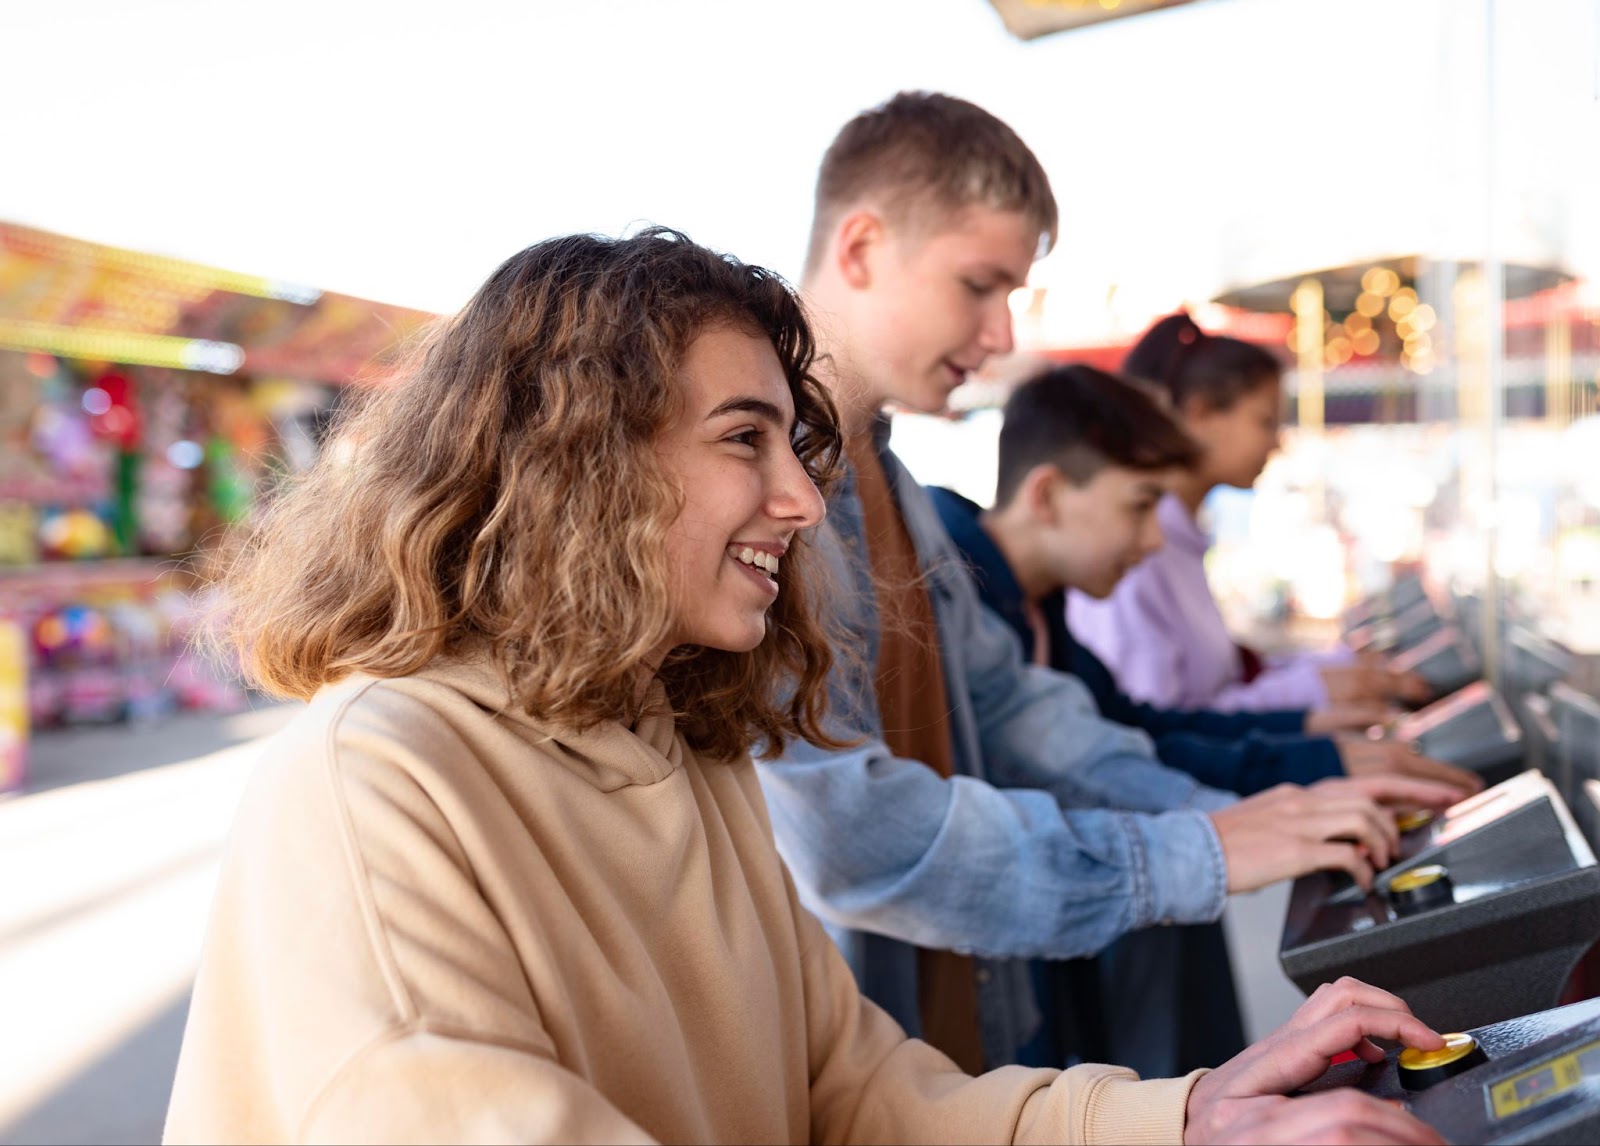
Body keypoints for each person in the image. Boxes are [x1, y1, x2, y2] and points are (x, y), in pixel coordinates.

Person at [160, 228, 1448, 1146]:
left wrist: (1187, 1115)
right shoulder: (379, 778)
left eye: (794, 442)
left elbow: (862, 1096)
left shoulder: (684, 742)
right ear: (579, 463)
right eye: (742, 440)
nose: (794, 498)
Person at [756, 90, 1460, 1078]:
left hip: (961, 1050)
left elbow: (1013, 713)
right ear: (862, 247)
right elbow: (857, 840)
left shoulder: (897, 489)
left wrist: (1217, 817)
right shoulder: (763, 501)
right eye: (978, 285)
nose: (1001, 334)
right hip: (851, 1072)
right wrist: (1194, 847)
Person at [928, 362, 1481, 1076]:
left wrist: (1302, 774)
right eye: (1139, 505)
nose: (1154, 540)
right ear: (1049, 495)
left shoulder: (1047, 618)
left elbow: (1129, 737)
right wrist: (1257, 808)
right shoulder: (955, 612)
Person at [1069, 313, 1432, 714]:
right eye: (1265, 421)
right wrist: (1312, 690)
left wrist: (1330, 671)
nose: (1276, 443)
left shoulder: (1176, 539)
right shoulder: (1135, 550)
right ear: (1200, 413)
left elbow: (1215, 687)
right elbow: (1163, 725)